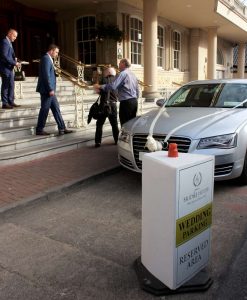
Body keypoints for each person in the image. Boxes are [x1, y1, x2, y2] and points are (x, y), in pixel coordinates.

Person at [35, 44, 73, 136]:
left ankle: (62, 128)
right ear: (51, 50)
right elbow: (45, 76)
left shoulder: (49, 59)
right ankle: (39, 129)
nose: (57, 54)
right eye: (56, 52)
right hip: (47, 90)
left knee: (56, 109)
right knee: (44, 109)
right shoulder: (46, 59)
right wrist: (50, 89)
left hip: (50, 90)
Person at [94, 58, 139, 127]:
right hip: (134, 101)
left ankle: (125, 138)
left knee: (125, 125)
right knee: (131, 124)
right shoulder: (133, 74)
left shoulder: (123, 74)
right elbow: (137, 89)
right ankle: (130, 138)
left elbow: (113, 86)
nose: (118, 65)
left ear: (123, 63)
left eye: (120, 63)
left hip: (126, 103)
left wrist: (100, 86)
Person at [94, 67, 119, 148]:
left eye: (105, 72)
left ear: (108, 72)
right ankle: (117, 140)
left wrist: (97, 86)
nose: (104, 73)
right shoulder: (117, 80)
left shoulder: (104, 80)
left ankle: (98, 142)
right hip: (113, 104)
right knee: (114, 124)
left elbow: (98, 91)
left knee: (99, 124)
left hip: (104, 105)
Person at [0, 28, 21, 109]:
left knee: (11, 85)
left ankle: (10, 101)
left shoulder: (9, 43)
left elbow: (9, 55)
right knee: (6, 85)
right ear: (9, 34)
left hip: (9, 68)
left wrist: (15, 59)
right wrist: (14, 63)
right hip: (5, 68)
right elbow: (4, 56)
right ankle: (5, 103)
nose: (15, 38)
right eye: (14, 36)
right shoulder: (5, 42)